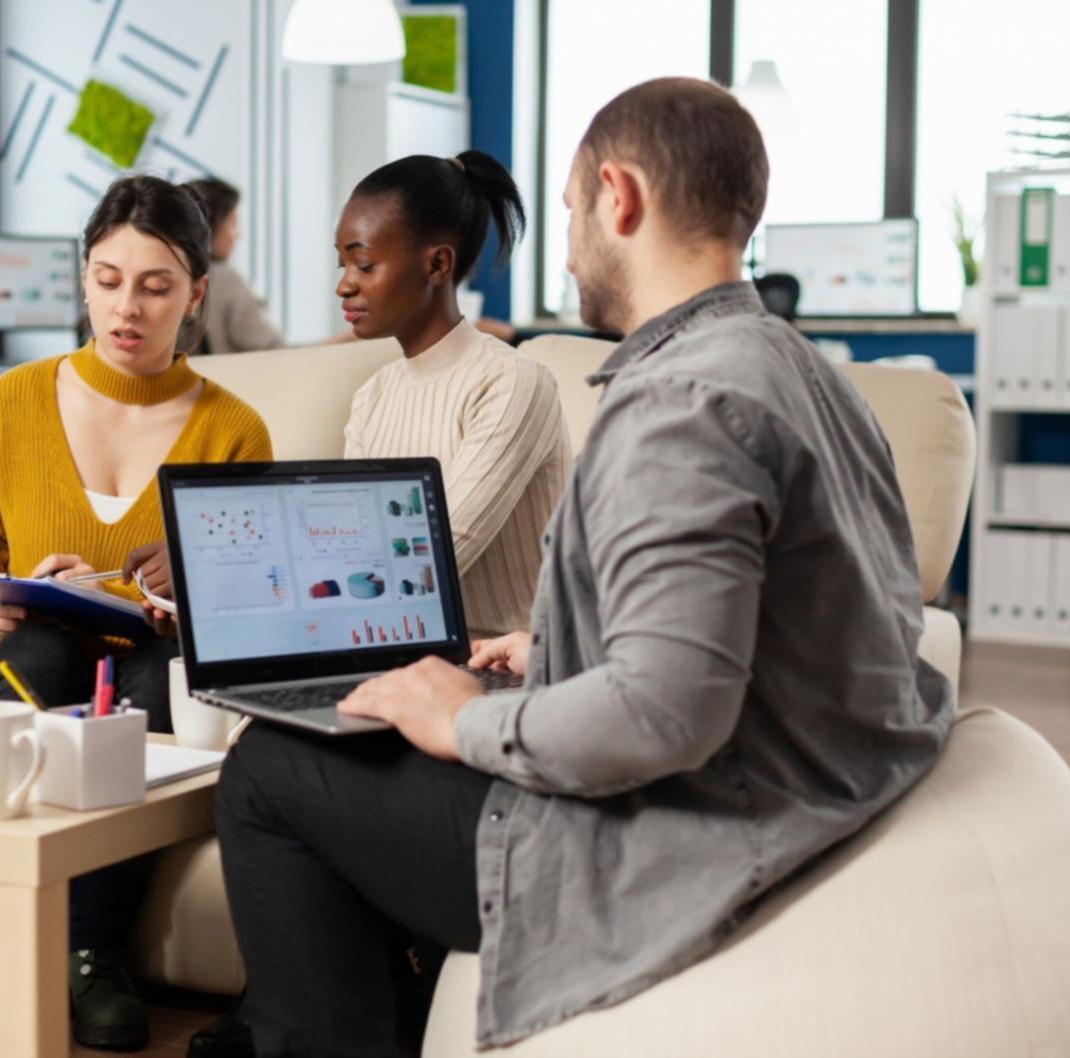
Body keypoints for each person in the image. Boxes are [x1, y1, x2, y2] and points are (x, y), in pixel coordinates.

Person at [212, 77, 954, 1058]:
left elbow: (662, 714)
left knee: (268, 769)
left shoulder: (681, 402)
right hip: (805, 776)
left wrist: (464, 716)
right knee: (362, 731)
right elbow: (832, 610)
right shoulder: (801, 367)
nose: (565, 248)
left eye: (568, 213)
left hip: (693, 829)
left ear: (619, 196)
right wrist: (559, 645)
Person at [0, 173, 272, 1056]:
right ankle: (6, 952)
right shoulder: (14, 401)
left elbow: (248, 596)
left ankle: (90, 950)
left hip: (144, 673)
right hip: (19, 663)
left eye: (157, 287)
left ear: (197, 296)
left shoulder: (233, 430)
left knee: (151, 682)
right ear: (84, 278)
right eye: (110, 280)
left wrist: (184, 599)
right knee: (42, 651)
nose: (129, 309)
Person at [337, 150, 570, 639]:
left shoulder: (510, 384)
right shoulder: (372, 398)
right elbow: (351, 553)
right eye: (343, 265)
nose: (343, 285)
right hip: (397, 652)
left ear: (437, 264)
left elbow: (434, 556)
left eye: (363, 264)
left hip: (503, 667)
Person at [183, 177, 284, 354]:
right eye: (233, 224)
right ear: (211, 225)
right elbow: (273, 351)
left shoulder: (178, 276)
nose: (236, 235)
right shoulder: (223, 278)